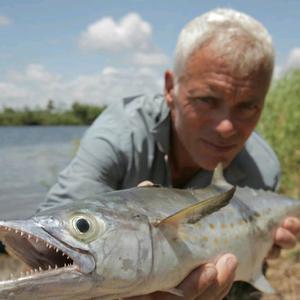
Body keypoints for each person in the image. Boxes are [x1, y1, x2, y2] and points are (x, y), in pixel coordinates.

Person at [41, 8, 300, 300]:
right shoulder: (119, 135)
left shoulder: (262, 169)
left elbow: (238, 266)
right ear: (170, 88)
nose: (227, 127)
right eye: (206, 100)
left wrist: (264, 249)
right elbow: (54, 235)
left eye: (248, 106)